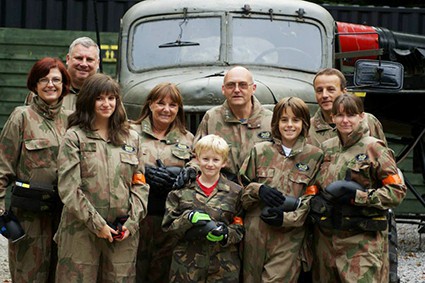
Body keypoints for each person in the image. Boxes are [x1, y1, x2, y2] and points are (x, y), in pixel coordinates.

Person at [54, 73, 149, 282]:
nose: (106, 104)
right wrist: (98, 225)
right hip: (80, 232)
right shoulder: (75, 136)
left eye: (111, 98)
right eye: (99, 98)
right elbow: (69, 188)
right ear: (89, 100)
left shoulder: (131, 137)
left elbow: (140, 183)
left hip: (121, 233)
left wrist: (131, 223)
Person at [309, 93, 406, 282]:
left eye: (351, 115)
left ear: (361, 116)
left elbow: (397, 192)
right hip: (327, 241)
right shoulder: (327, 149)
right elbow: (314, 186)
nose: (345, 121)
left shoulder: (374, 148)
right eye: (340, 115)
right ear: (333, 118)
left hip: (361, 243)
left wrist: (360, 196)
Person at [0, 57, 71, 282]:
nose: (50, 84)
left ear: (64, 85)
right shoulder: (21, 117)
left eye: (56, 80)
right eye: (44, 80)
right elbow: (3, 166)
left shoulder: (72, 120)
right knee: (28, 276)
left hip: (63, 216)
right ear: (34, 84)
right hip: (29, 218)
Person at [239, 97, 324, 282]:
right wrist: (258, 190)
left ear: (304, 123)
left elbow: (312, 200)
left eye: (296, 120)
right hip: (255, 232)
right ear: (276, 123)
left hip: (289, 237)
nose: (290, 125)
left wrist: (286, 219)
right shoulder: (260, 151)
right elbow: (241, 193)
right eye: (284, 120)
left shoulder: (314, 156)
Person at [131, 82, 194, 283]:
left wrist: (183, 173)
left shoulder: (188, 139)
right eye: (161, 103)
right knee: (133, 271)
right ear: (150, 105)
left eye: (173, 105)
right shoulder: (130, 132)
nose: (166, 109)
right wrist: (143, 172)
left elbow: (199, 166)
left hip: (170, 219)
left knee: (163, 273)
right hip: (137, 216)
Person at [162, 134, 244, 282]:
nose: (210, 164)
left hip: (222, 266)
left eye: (216, 160)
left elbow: (239, 226)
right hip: (187, 265)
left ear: (224, 162)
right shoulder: (181, 190)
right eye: (205, 159)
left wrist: (226, 233)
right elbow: (167, 227)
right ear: (197, 158)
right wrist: (188, 218)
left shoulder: (235, 192)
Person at [193, 65, 273, 183]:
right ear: (223, 89)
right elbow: (196, 156)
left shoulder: (270, 120)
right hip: (222, 192)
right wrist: (192, 170)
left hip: (260, 193)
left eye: (243, 85)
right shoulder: (212, 118)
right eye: (231, 85)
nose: (236, 90)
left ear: (253, 88)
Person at [307, 68, 387, 147]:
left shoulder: (367, 121)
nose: (324, 95)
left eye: (331, 89)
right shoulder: (308, 130)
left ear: (344, 92)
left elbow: (383, 155)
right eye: (319, 90)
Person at [25, 36, 100, 111]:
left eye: (89, 60)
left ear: (98, 63)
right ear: (68, 59)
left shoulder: (104, 93)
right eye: (79, 58)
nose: (84, 64)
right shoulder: (47, 89)